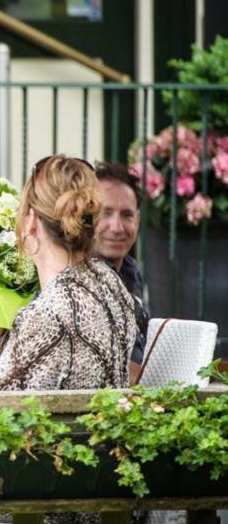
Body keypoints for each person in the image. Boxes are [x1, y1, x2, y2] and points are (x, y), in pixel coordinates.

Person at [0, 156, 140, 524]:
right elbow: (67, 364)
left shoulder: (48, 310)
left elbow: (3, 423)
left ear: (30, 222)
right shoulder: (109, 284)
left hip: (51, 510)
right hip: (106, 498)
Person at [93, 161, 149, 381]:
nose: (116, 227)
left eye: (126, 215)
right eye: (105, 213)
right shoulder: (73, 281)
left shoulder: (132, 272)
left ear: (138, 219)